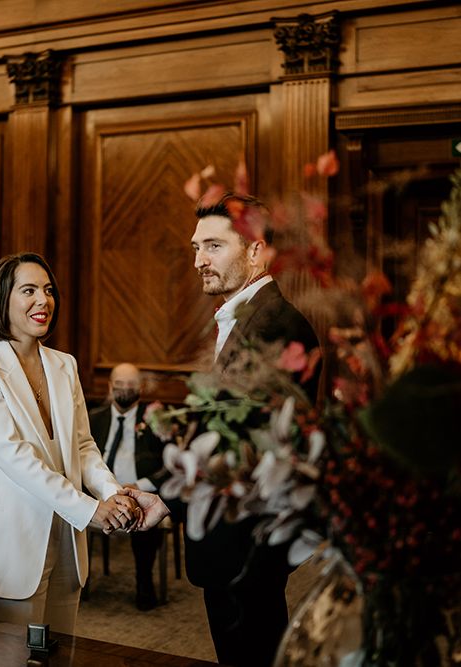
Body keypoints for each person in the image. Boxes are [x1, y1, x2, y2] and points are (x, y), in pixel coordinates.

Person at [0, 252, 168, 635]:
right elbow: (15, 456)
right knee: (7, 657)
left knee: (59, 652)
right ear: (2, 298)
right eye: (29, 290)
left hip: (68, 540)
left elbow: (83, 446)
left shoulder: (64, 364)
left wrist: (115, 494)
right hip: (12, 542)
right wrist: (91, 510)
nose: (44, 300)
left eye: (49, 290)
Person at [170, 191, 322, 667]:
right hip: (232, 538)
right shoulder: (244, 320)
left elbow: (243, 446)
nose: (199, 260)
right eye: (196, 247)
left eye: (213, 246)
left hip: (246, 540)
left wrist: (166, 496)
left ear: (257, 250)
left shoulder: (275, 326)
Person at [89, 363, 166, 611]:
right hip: (99, 493)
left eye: (130, 385)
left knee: (141, 508)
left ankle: (144, 580)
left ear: (140, 388)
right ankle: (79, 578)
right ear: (110, 387)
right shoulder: (93, 419)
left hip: (140, 490)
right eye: (119, 385)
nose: (124, 390)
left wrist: (139, 486)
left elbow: (169, 466)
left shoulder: (156, 419)